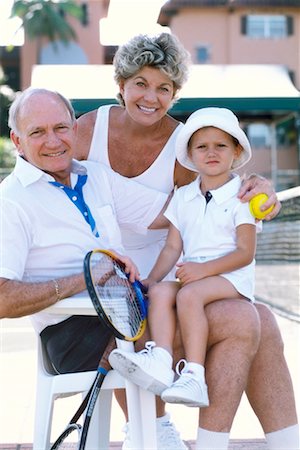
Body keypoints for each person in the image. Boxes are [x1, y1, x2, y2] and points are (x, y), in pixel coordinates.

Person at [75, 32, 299, 449]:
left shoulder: (186, 145)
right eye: (140, 83)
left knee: (261, 320)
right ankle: (168, 430)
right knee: (250, 320)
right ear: (120, 84)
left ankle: (287, 442)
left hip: (166, 282)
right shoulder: (87, 130)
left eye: (164, 88)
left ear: (175, 94)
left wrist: (261, 191)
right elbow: (46, 185)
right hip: (113, 292)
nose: (150, 97)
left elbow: (216, 197)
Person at [0, 87, 170, 374]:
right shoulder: (10, 201)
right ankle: (154, 420)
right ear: (17, 141)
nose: (53, 141)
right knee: (223, 321)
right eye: (38, 132)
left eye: (61, 128)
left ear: (75, 128)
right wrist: (86, 279)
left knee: (253, 318)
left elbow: (173, 212)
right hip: (74, 336)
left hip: (126, 314)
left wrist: (238, 193)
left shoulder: (96, 176)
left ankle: (165, 422)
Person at [109, 106, 259, 410]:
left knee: (188, 295)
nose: (211, 153)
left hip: (232, 278)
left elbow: (245, 253)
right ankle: (161, 360)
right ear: (190, 155)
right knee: (163, 290)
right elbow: (171, 248)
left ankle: (194, 376)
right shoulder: (183, 196)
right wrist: (151, 279)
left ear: (236, 150)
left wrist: (202, 270)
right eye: (202, 147)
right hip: (197, 276)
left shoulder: (243, 197)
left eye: (221, 146)